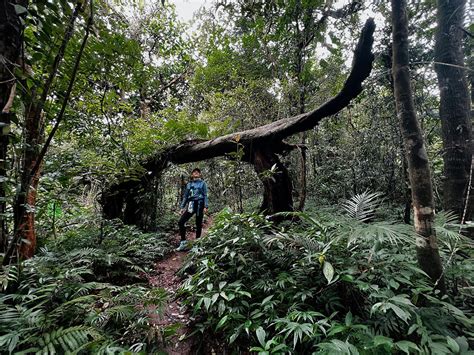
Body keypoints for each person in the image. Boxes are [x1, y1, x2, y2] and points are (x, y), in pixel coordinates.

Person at [176, 168, 209, 251]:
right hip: (191, 204)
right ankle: (183, 242)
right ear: (192, 175)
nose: (196, 173)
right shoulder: (189, 184)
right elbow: (185, 196)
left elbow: (205, 195)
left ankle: (197, 245)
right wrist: (182, 207)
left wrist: (206, 206)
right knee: (181, 222)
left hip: (199, 204)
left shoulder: (202, 183)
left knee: (198, 224)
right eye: (194, 172)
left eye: (198, 172)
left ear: (200, 174)